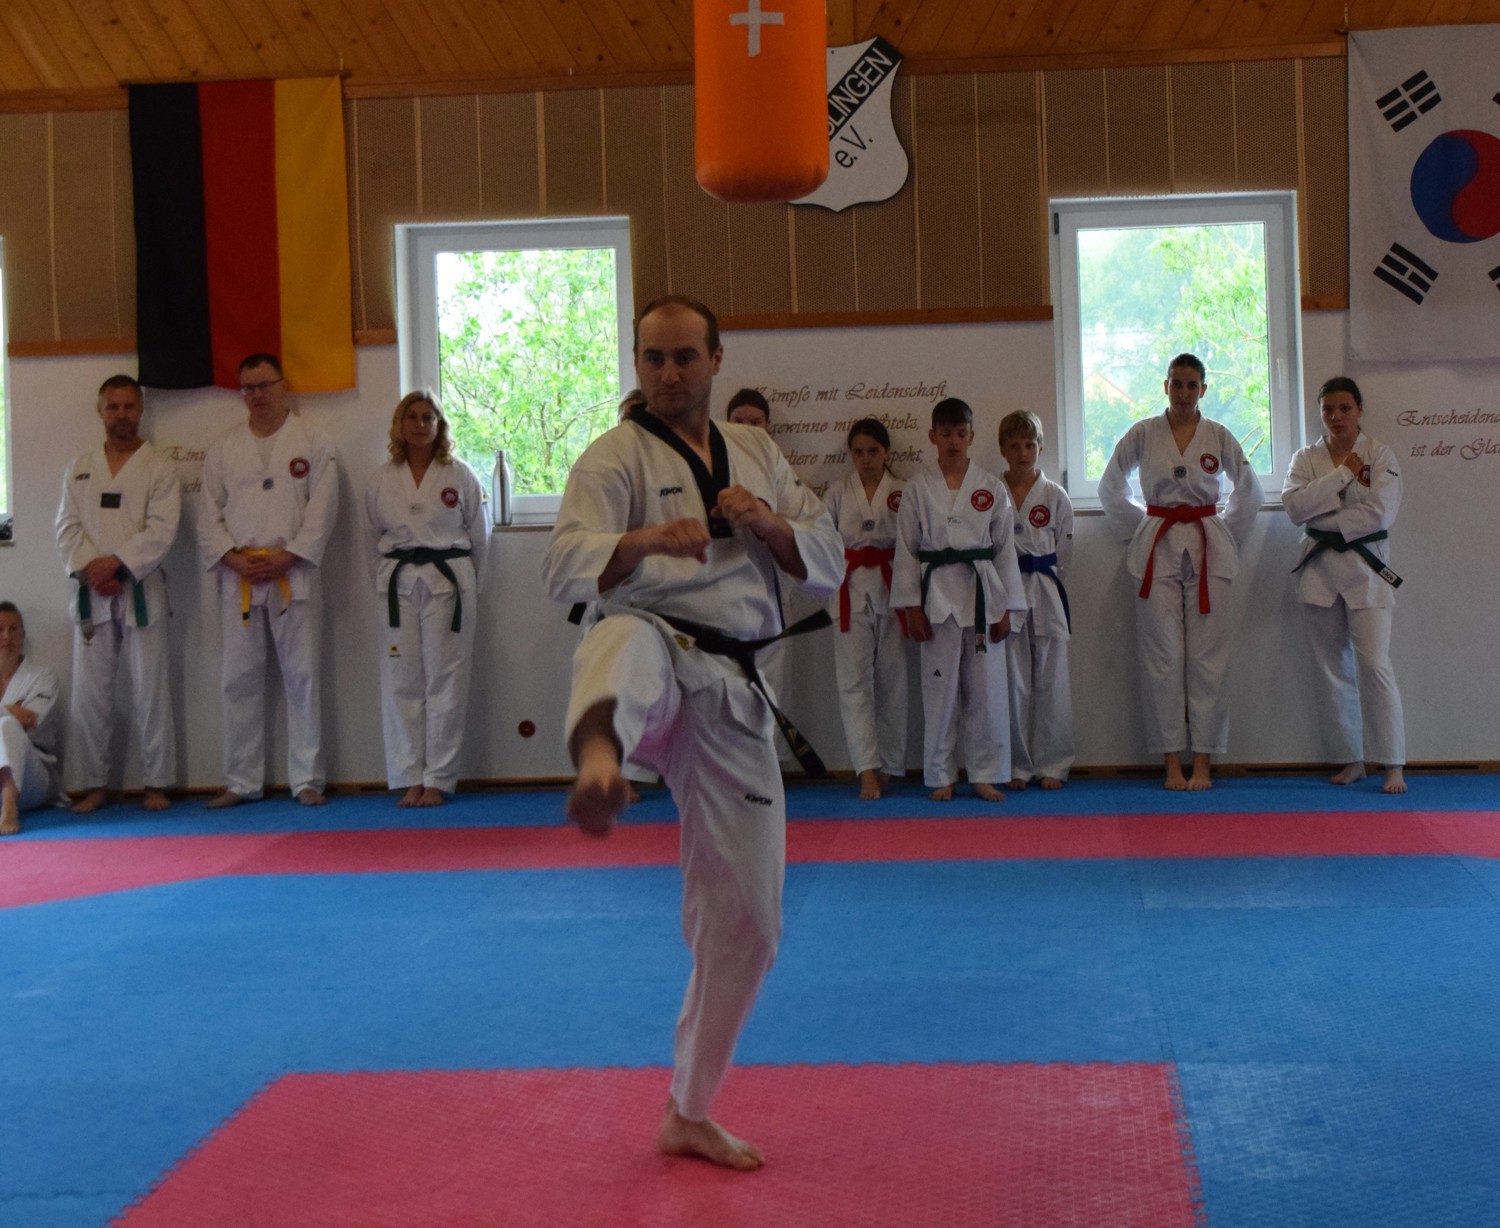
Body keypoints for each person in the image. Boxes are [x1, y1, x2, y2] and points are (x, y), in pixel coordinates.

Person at [542, 295, 842, 1171]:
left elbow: (823, 553)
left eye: (683, 357)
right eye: (652, 358)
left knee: (750, 920)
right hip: (653, 645)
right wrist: (640, 542)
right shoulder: (612, 457)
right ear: (637, 364)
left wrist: (770, 524)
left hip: (733, 688)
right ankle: (601, 759)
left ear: (716, 358)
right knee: (623, 643)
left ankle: (689, 1110)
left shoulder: (756, 451)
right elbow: (563, 565)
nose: (668, 374)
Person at [1098, 353, 1263, 791]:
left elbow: (1249, 493)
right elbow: (1110, 487)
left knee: (1208, 659)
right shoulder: (1143, 433)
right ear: (1165, 386)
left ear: (1203, 389)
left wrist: (1222, 531)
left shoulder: (1219, 435)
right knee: (1163, 658)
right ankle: (1172, 760)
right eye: (1177, 384)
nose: (1184, 392)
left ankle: (1203, 760)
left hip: (1209, 548)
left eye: (1192, 385)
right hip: (1157, 546)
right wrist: (1144, 528)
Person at [198, 353, 338, 808]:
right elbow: (207, 515)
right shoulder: (224, 448)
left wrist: (289, 556)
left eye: (264, 385)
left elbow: (323, 509)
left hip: (292, 573)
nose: (257, 395)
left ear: (282, 385)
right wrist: (232, 558)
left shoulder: (313, 440)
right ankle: (241, 780)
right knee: (237, 679)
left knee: (302, 676)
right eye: (249, 388)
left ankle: (307, 779)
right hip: (239, 575)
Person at [56, 375, 181, 813]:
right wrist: (93, 568)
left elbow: (162, 529)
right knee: (90, 693)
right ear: (100, 411)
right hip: (93, 591)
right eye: (113, 407)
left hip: (140, 588)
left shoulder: (159, 467)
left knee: (151, 689)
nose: (121, 415)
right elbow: (66, 527)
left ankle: (156, 783)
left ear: (140, 410)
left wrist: (118, 565)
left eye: (129, 406)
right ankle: (94, 784)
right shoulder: (79, 467)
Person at [892, 397, 1026, 802]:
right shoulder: (917, 489)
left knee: (986, 691)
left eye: (961, 433)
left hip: (982, 597)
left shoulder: (991, 487)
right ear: (932, 436)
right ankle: (940, 774)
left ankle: (986, 773)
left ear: (971, 436)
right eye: (946, 433)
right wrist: (911, 608)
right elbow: (906, 551)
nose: (953, 441)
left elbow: (1005, 551)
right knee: (940, 692)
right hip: (935, 600)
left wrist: (1007, 610)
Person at [1282, 376, 1406, 793]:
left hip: (1366, 571)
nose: (1336, 417)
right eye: (1328, 409)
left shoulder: (1380, 454)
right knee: (1332, 670)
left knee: (1375, 666)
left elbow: (1380, 514)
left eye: (1344, 409)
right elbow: (1295, 508)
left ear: (1359, 410)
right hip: (1319, 573)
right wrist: (1340, 477)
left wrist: (1323, 518)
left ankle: (1393, 762)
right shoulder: (1305, 458)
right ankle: (1351, 758)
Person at [365, 391, 490, 807]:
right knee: (401, 680)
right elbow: (371, 539)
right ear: (399, 425)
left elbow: (480, 537)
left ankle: (438, 778)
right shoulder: (381, 479)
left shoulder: (460, 474)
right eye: (412, 417)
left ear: (439, 426)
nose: (420, 424)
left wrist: (468, 583)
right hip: (397, 584)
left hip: (449, 583)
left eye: (428, 418)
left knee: (446, 680)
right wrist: (383, 581)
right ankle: (408, 776)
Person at [825, 418, 908, 800]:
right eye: (858, 452)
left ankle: (890, 764)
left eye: (873, 451)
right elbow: (822, 542)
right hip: (849, 590)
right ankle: (866, 769)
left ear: (886, 452)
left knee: (893, 680)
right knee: (854, 682)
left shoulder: (903, 492)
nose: (866, 459)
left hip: (893, 590)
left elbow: (913, 543)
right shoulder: (837, 492)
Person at [998, 410, 1074, 790]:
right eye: (1014, 446)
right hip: (1006, 592)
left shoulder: (1055, 495)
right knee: (1012, 681)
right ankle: (1017, 765)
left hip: (1045, 586)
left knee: (1051, 680)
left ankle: (1054, 764)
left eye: (1029, 445)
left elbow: (1066, 552)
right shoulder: (992, 493)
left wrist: (1049, 577)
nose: (1022, 453)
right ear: (1002, 450)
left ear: (1040, 448)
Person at [0, 603, 61, 835]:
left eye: (13, 629)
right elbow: (20, 714)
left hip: (33, 777)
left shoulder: (42, 677)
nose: (7, 636)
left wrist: (12, 714)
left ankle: (9, 809)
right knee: (8, 719)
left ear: (23, 635)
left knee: (7, 726)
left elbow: (30, 720)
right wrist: (11, 709)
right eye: (0, 629)